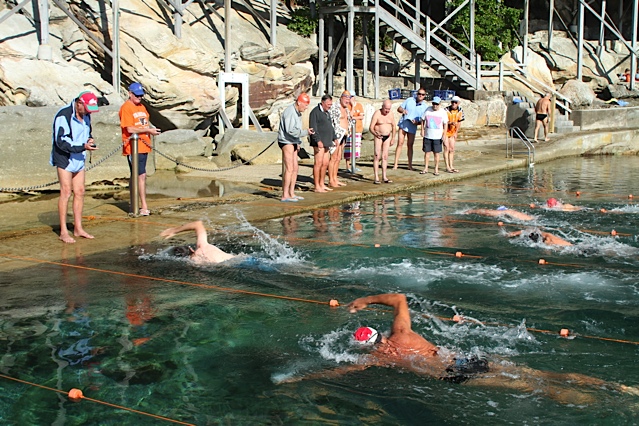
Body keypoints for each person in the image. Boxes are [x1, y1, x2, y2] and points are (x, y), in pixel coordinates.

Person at [280, 293, 639, 404]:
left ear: (367, 346)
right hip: (464, 358)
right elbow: (400, 298)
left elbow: (341, 370)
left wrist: (299, 378)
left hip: (454, 376)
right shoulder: (403, 333)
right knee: (540, 374)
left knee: (532, 388)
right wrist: (365, 299)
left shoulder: (377, 358)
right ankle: (618, 388)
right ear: (378, 332)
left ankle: (591, 402)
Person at [50, 91, 100, 243]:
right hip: (64, 157)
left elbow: (87, 131)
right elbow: (61, 141)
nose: (88, 112)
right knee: (66, 192)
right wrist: (82, 146)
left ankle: (78, 228)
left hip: (80, 156)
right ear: (79, 103)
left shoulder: (86, 115)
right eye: (87, 108)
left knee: (80, 191)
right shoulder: (63, 115)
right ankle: (64, 231)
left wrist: (89, 140)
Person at [119, 82, 162, 216]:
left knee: (141, 175)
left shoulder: (142, 107)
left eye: (141, 96)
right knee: (139, 175)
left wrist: (149, 131)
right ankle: (140, 205)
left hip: (143, 146)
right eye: (137, 95)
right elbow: (129, 128)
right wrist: (148, 130)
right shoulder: (126, 108)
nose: (139, 98)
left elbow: (144, 122)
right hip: (133, 146)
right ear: (130, 94)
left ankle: (138, 204)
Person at [277, 93, 314, 202]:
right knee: (289, 169)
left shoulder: (298, 113)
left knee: (295, 168)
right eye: (305, 105)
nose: (306, 108)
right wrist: (305, 132)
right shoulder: (290, 112)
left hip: (293, 141)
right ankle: (285, 195)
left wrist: (298, 142)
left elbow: (296, 130)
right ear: (299, 103)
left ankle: (291, 193)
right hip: (286, 141)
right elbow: (290, 130)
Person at [160, 220, 236, 264]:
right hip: (243, 259)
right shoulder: (203, 246)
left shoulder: (195, 263)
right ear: (191, 249)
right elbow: (197, 224)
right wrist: (174, 230)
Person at [393, 89, 428, 170]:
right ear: (417, 94)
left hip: (412, 126)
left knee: (410, 145)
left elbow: (424, 120)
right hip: (404, 124)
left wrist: (417, 122)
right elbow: (399, 109)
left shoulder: (424, 106)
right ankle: (395, 164)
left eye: (422, 94)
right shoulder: (409, 100)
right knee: (400, 143)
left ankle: (410, 165)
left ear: (424, 96)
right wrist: (403, 110)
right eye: (419, 94)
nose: (420, 95)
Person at [309, 95, 337, 193]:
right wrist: (317, 140)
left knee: (325, 163)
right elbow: (313, 128)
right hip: (319, 141)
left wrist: (334, 137)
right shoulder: (315, 112)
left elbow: (330, 126)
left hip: (327, 141)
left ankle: (322, 183)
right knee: (318, 163)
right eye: (328, 104)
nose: (330, 106)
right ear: (323, 103)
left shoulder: (327, 112)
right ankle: (317, 186)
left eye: (331, 104)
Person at [369, 99, 396, 184]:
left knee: (385, 156)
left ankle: (384, 176)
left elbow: (394, 126)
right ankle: (376, 177)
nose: (387, 111)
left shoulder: (391, 114)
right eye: (386, 109)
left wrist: (393, 138)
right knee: (377, 156)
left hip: (387, 136)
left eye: (389, 109)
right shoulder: (377, 114)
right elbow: (371, 127)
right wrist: (375, 133)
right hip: (379, 136)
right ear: (382, 107)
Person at [419, 96, 448, 176]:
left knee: (436, 153)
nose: (435, 105)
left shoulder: (443, 112)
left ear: (439, 104)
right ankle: (426, 168)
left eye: (437, 104)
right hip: (428, 135)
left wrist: (444, 135)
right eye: (434, 104)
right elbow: (422, 120)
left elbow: (445, 124)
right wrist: (422, 130)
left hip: (437, 136)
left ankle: (436, 169)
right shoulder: (428, 110)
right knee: (427, 153)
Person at [328, 91, 351, 187]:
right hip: (336, 135)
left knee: (338, 158)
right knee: (333, 158)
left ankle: (335, 178)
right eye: (346, 98)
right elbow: (332, 122)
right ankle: (331, 180)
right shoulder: (335, 107)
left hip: (344, 135)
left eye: (349, 98)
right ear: (341, 97)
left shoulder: (346, 109)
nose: (347, 100)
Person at [345, 91, 364, 173]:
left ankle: (354, 165)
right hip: (349, 130)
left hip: (357, 129)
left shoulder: (359, 105)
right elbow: (350, 116)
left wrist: (354, 118)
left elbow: (362, 116)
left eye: (352, 96)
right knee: (348, 149)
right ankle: (348, 166)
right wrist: (352, 107)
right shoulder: (347, 106)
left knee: (356, 149)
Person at [444, 96, 465, 173]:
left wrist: (456, 132)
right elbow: (443, 122)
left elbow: (459, 121)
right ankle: (447, 166)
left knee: (452, 149)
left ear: (458, 103)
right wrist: (450, 123)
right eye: (452, 102)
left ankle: (451, 165)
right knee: (446, 148)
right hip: (445, 131)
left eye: (455, 102)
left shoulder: (460, 110)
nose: (453, 104)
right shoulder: (446, 110)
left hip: (453, 132)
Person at [506, 228, 572, 246]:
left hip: (573, 249)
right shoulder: (547, 234)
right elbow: (529, 230)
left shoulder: (547, 242)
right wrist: (513, 233)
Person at [465, 206, 534, 221]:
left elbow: (487, 212)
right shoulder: (516, 213)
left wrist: (471, 211)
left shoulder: (507, 212)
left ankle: (470, 210)